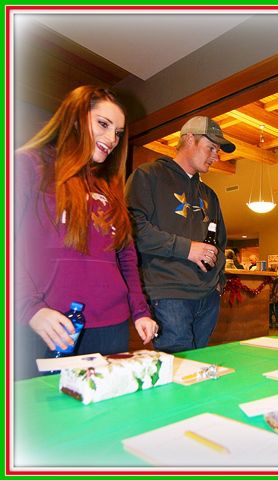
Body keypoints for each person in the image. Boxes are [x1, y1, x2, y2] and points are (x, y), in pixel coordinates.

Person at [15, 86, 158, 379]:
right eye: (103, 125)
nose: (111, 139)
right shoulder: (28, 165)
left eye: (117, 133)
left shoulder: (110, 188)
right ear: (76, 118)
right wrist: (29, 308)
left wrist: (140, 311)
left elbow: (126, 259)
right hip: (48, 326)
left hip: (111, 329)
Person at [126, 116, 235, 353]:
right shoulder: (148, 176)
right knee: (177, 372)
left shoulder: (209, 194)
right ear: (188, 139)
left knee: (197, 367)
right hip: (168, 293)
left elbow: (220, 243)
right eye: (211, 148)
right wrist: (187, 249)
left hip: (207, 298)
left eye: (218, 150)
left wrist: (218, 283)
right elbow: (134, 229)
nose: (216, 156)